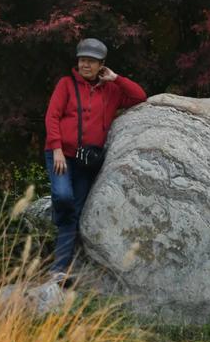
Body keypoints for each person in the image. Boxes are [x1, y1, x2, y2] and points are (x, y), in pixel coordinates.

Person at [44, 38, 147, 282]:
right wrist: (57, 148)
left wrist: (116, 79)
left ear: (102, 64)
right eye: (82, 60)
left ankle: (58, 270)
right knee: (63, 197)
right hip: (60, 155)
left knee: (74, 212)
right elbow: (52, 116)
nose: (85, 65)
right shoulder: (66, 85)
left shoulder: (111, 91)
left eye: (91, 61)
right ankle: (57, 215)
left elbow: (140, 96)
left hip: (86, 161)